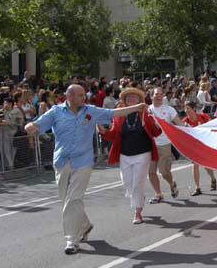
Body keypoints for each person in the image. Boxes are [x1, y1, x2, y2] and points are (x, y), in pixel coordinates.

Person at [25, 84, 148, 254]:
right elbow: (37, 124)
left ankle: (72, 240)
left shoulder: (90, 111)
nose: (85, 98)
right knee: (65, 200)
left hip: (83, 162)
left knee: (74, 199)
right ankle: (84, 225)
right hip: (62, 161)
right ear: (70, 97)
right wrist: (30, 127)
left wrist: (137, 107)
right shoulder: (56, 112)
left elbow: (113, 114)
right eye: (81, 95)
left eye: (84, 94)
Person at [98, 88, 162, 225]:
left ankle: (137, 211)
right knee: (127, 183)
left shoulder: (145, 114)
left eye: (134, 97)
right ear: (125, 101)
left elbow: (156, 132)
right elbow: (113, 134)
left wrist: (157, 123)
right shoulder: (119, 115)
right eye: (128, 98)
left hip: (143, 153)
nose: (131, 99)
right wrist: (103, 131)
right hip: (125, 154)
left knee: (137, 183)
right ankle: (139, 197)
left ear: (139, 100)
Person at [147, 87, 183, 204]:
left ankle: (172, 184)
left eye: (161, 94)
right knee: (151, 171)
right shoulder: (147, 110)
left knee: (164, 172)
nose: (159, 96)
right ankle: (159, 194)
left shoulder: (169, 109)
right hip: (150, 145)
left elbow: (178, 122)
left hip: (165, 144)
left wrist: (190, 131)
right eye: (157, 94)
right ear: (152, 96)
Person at [183, 101, 217, 195]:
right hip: (193, 146)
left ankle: (213, 178)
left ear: (193, 109)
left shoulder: (203, 117)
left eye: (188, 108)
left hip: (204, 144)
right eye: (185, 108)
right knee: (195, 166)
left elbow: (212, 126)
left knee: (206, 166)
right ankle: (198, 188)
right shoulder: (185, 121)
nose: (186, 110)